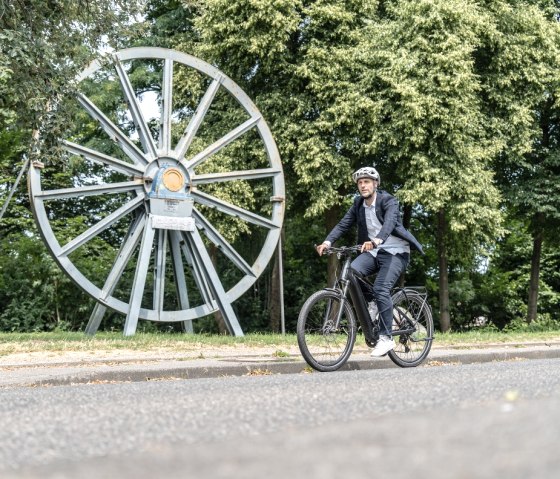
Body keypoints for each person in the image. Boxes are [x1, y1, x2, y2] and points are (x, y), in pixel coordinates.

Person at [316, 166, 423, 357]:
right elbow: (343, 224)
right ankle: (373, 303)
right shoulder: (358, 204)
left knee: (381, 287)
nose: (363, 185)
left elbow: (390, 223)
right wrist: (327, 241)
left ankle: (386, 338)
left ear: (375, 184)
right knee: (352, 273)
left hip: (395, 252)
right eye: (359, 182)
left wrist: (378, 240)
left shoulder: (388, 200)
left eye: (366, 181)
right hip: (374, 251)